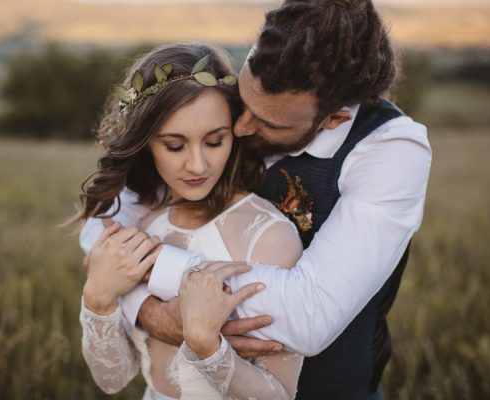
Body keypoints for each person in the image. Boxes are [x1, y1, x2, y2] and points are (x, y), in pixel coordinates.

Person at [82, 1, 432, 399]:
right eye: (244, 100)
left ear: (335, 117)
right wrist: (147, 310)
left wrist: (146, 266)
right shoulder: (211, 118)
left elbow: (308, 316)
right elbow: (102, 231)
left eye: (269, 122)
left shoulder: (392, 148)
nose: (242, 126)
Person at [76, 43, 306, 400]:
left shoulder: (269, 237)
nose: (197, 166)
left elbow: (280, 394)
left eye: (215, 141)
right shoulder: (144, 226)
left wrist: (206, 346)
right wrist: (98, 299)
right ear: (145, 144)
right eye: (174, 146)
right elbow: (113, 379)